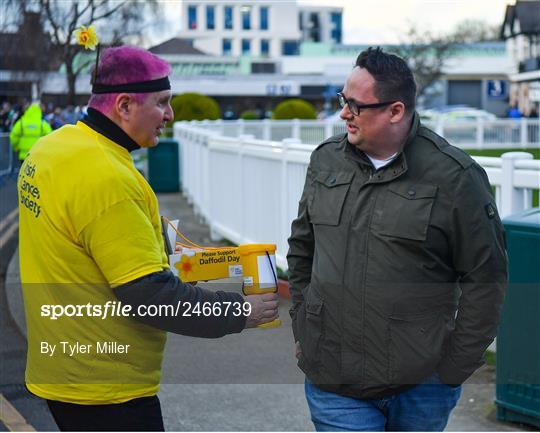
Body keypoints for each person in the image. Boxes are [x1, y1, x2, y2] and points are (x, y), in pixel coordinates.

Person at [18, 45, 278, 431]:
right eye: (162, 103)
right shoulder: (109, 178)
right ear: (124, 105)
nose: (170, 115)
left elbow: (100, 244)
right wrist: (244, 312)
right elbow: (151, 298)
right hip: (107, 389)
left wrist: (221, 260)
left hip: (62, 368)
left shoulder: (52, 148)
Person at [287, 47, 507, 432]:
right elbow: (303, 249)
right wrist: (304, 326)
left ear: (395, 111)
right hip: (335, 380)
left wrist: (452, 369)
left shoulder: (455, 177)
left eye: (355, 106)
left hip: (421, 386)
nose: (343, 114)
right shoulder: (325, 162)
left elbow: (485, 280)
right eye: (343, 100)